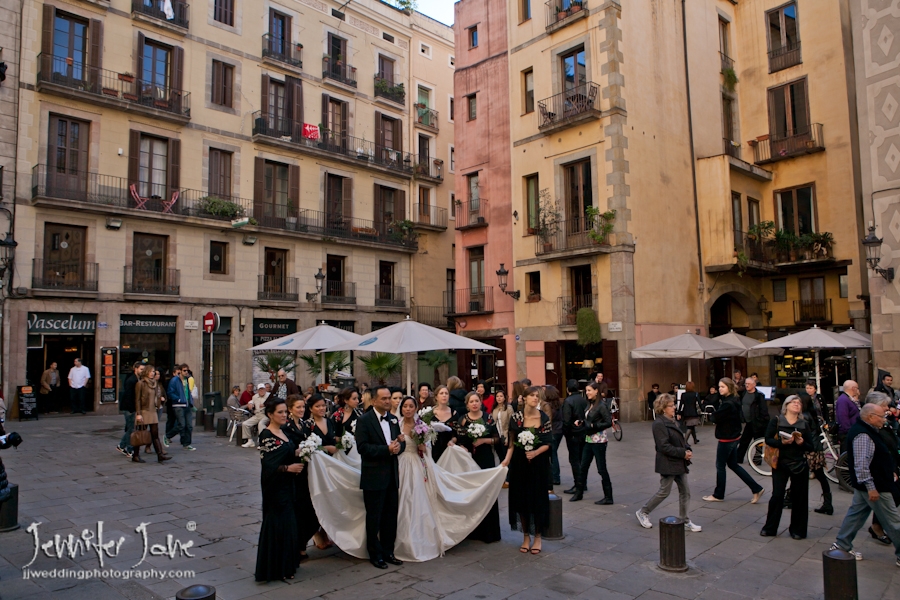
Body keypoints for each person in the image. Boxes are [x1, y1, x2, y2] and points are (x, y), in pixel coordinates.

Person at [831, 402, 900, 563]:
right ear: (871, 417)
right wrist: (871, 487)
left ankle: (842, 544)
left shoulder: (869, 430)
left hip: (871, 485)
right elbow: (861, 465)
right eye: (881, 416)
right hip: (876, 486)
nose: (884, 419)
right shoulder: (863, 435)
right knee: (893, 522)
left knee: (856, 515)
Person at [355, 385, 405, 569]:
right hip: (374, 476)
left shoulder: (393, 419)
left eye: (389, 398)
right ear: (374, 400)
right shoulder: (364, 420)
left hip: (391, 475)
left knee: (390, 517)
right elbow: (362, 448)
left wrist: (400, 446)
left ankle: (388, 551)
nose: (388, 401)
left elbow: (398, 443)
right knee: (374, 517)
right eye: (384, 398)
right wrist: (386, 450)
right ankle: (375, 554)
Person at [636, 394, 701, 532]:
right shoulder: (659, 424)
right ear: (663, 408)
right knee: (664, 491)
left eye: (673, 405)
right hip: (668, 463)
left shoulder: (672, 421)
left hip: (678, 462)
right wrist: (683, 453)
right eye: (671, 406)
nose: (674, 407)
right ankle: (643, 512)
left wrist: (687, 449)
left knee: (685, 492)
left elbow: (681, 440)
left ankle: (685, 520)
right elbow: (663, 446)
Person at [255, 396, 304, 582]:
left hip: (288, 486)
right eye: (280, 412)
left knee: (289, 525)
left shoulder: (284, 431)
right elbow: (268, 465)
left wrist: (300, 451)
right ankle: (274, 568)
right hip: (275, 488)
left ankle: (287, 565)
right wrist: (288, 468)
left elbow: (287, 451)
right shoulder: (267, 435)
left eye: (285, 411)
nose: (284, 415)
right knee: (277, 525)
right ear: (270, 414)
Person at [501, 386, 552, 554]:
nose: (535, 398)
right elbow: (511, 442)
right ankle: (525, 536)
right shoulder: (516, 417)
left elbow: (548, 442)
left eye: (537, 396)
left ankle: (537, 536)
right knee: (521, 500)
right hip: (520, 463)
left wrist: (535, 452)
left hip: (538, 464)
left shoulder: (543, 417)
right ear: (524, 398)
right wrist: (506, 460)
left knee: (537, 500)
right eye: (532, 395)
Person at [760, 396, 814, 539]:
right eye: (793, 402)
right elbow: (768, 439)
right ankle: (770, 528)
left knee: (800, 497)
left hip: (799, 463)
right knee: (777, 495)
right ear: (786, 405)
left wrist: (801, 443)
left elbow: (811, 446)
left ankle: (798, 530)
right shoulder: (777, 420)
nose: (797, 404)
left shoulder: (804, 424)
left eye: (799, 403)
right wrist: (782, 442)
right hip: (781, 463)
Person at [703, 378, 764, 504]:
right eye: (719, 386)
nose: (720, 389)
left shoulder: (727, 404)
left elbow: (715, 417)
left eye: (723, 387)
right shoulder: (734, 399)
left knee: (720, 466)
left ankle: (718, 494)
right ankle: (756, 488)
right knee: (733, 465)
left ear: (729, 388)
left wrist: (712, 416)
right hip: (734, 436)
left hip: (727, 438)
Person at [456, 391, 501, 543]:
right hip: (469, 458)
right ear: (467, 404)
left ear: (480, 402)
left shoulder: (488, 418)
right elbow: (459, 438)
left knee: (487, 491)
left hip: (485, 458)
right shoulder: (463, 419)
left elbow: (497, 439)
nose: (474, 404)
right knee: (472, 491)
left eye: (476, 401)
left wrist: (484, 441)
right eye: (471, 401)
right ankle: (473, 530)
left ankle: (489, 531)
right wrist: (461, 446)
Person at [282, 394, 315, 563]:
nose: (302, 410)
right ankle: (297, 547)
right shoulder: (286, 427)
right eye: (298, 407)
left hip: (306, 471)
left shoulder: (304, 424)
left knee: (309, 511)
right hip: (294, 474)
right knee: (299, 510)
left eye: (303, 407)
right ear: (290, 409)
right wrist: (297, 452)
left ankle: (302, 542)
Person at [571, 382, 613, 504]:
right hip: (589, 439)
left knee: (601, 469)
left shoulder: (601, 405)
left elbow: (608, 422)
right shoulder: (590, 403)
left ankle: (608, 497)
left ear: (596, 391)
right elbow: (588, 418)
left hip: (599, 441)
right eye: (586, 390)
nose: (587, 393)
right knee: (583, 467)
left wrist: (593, 425)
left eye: (589, 390)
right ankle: (579, 493)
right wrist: (581, 421)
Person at [799, 381, 834, 515]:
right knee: (820, 476)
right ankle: (828, 503)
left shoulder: (804, 417)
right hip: (816, 449)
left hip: (810, 450)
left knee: (799, 475)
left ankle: (791, 498)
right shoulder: (811, 414)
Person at [133, 366, 171, 464]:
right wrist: (138, 414)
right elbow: (137, 400)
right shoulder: (141, 383)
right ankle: (135, 455)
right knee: (140, 433)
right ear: (146, 372)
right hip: (144, 411)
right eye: (151, 371)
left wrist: (161, 401)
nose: (152, 373)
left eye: (153, 371)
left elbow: (157, 396)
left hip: (153, 411)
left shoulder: (155, 384)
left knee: (155, 434)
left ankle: (160, 455)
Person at [562, 379, 588, 494]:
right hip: (583, 432)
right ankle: (583, 483)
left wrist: (566, 432)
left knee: (574, 460)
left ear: (568, 389)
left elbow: (566, 420)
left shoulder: (568, 401)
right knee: (581, 459)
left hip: (573, 433)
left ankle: (578, 485)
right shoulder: (583, 399)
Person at [736, 377, 770, 464]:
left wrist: (762, 421)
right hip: (748, 422)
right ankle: (738, 458)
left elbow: (763, 410)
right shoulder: (743, 393)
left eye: (749, 384)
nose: (747, 385)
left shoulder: (759, 396)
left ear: (754, 385)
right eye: (746, 384)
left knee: (758, 442)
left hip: (757, 422)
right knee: (744, 441)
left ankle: (757, 460)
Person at [117, 361, 144, 458]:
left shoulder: (137, 379)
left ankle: (121, 446)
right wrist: (133, 409)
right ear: (135, 369)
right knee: (131, 429)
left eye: (143, 369)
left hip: (132, 407)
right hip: (129, 408)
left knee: (130, 428)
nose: (142, 371)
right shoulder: (132, 380)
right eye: (141, 369)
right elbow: (129, 395)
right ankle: (129, 449)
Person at [165, 365, 195, 451]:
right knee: (181, 425)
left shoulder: (187, 380)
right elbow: (170, 392)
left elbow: (188, 392)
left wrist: (191, 402)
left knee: (189, 426)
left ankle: (187, 443)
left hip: (187, 404)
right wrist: (178, 399)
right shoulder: (174, 380)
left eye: (187, 371)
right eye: (184, 370)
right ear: (180, 371)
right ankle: (168, 436)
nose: (186, 372)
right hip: (178, 405)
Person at [430, 385, 458, 462]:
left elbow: (457, 433)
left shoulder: (454, 413)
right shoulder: (429, 413)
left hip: (449, 449)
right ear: (436, 397)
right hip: (433, 450)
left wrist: (452, 441)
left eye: (446, 393)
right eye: (441, 393)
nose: (444, 395)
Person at [491, 388, 513, 486]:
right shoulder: (494, 409)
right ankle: (503, 477)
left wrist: (508, 437)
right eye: (497, 396)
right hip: (497, 436)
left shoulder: (508, 408)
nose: (499, 398)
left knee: (507, 458)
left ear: (504, 398)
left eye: (501, 396)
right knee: (500, 457)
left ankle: (509, 478)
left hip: (506, 435)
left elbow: (511, 423)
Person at [545, 385, 563, 486]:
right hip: (559, 430)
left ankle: (555, 477)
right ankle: (555, 475)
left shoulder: (549, 406)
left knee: (552, 454)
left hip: (553, 431)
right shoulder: (559, 403)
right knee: (553, 453)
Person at [836, 380, 862, 449]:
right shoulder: (843, 400)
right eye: (857, 388)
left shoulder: (849, 399)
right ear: (853, 388)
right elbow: (843, 417)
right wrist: (849, 431)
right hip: (847, 434)